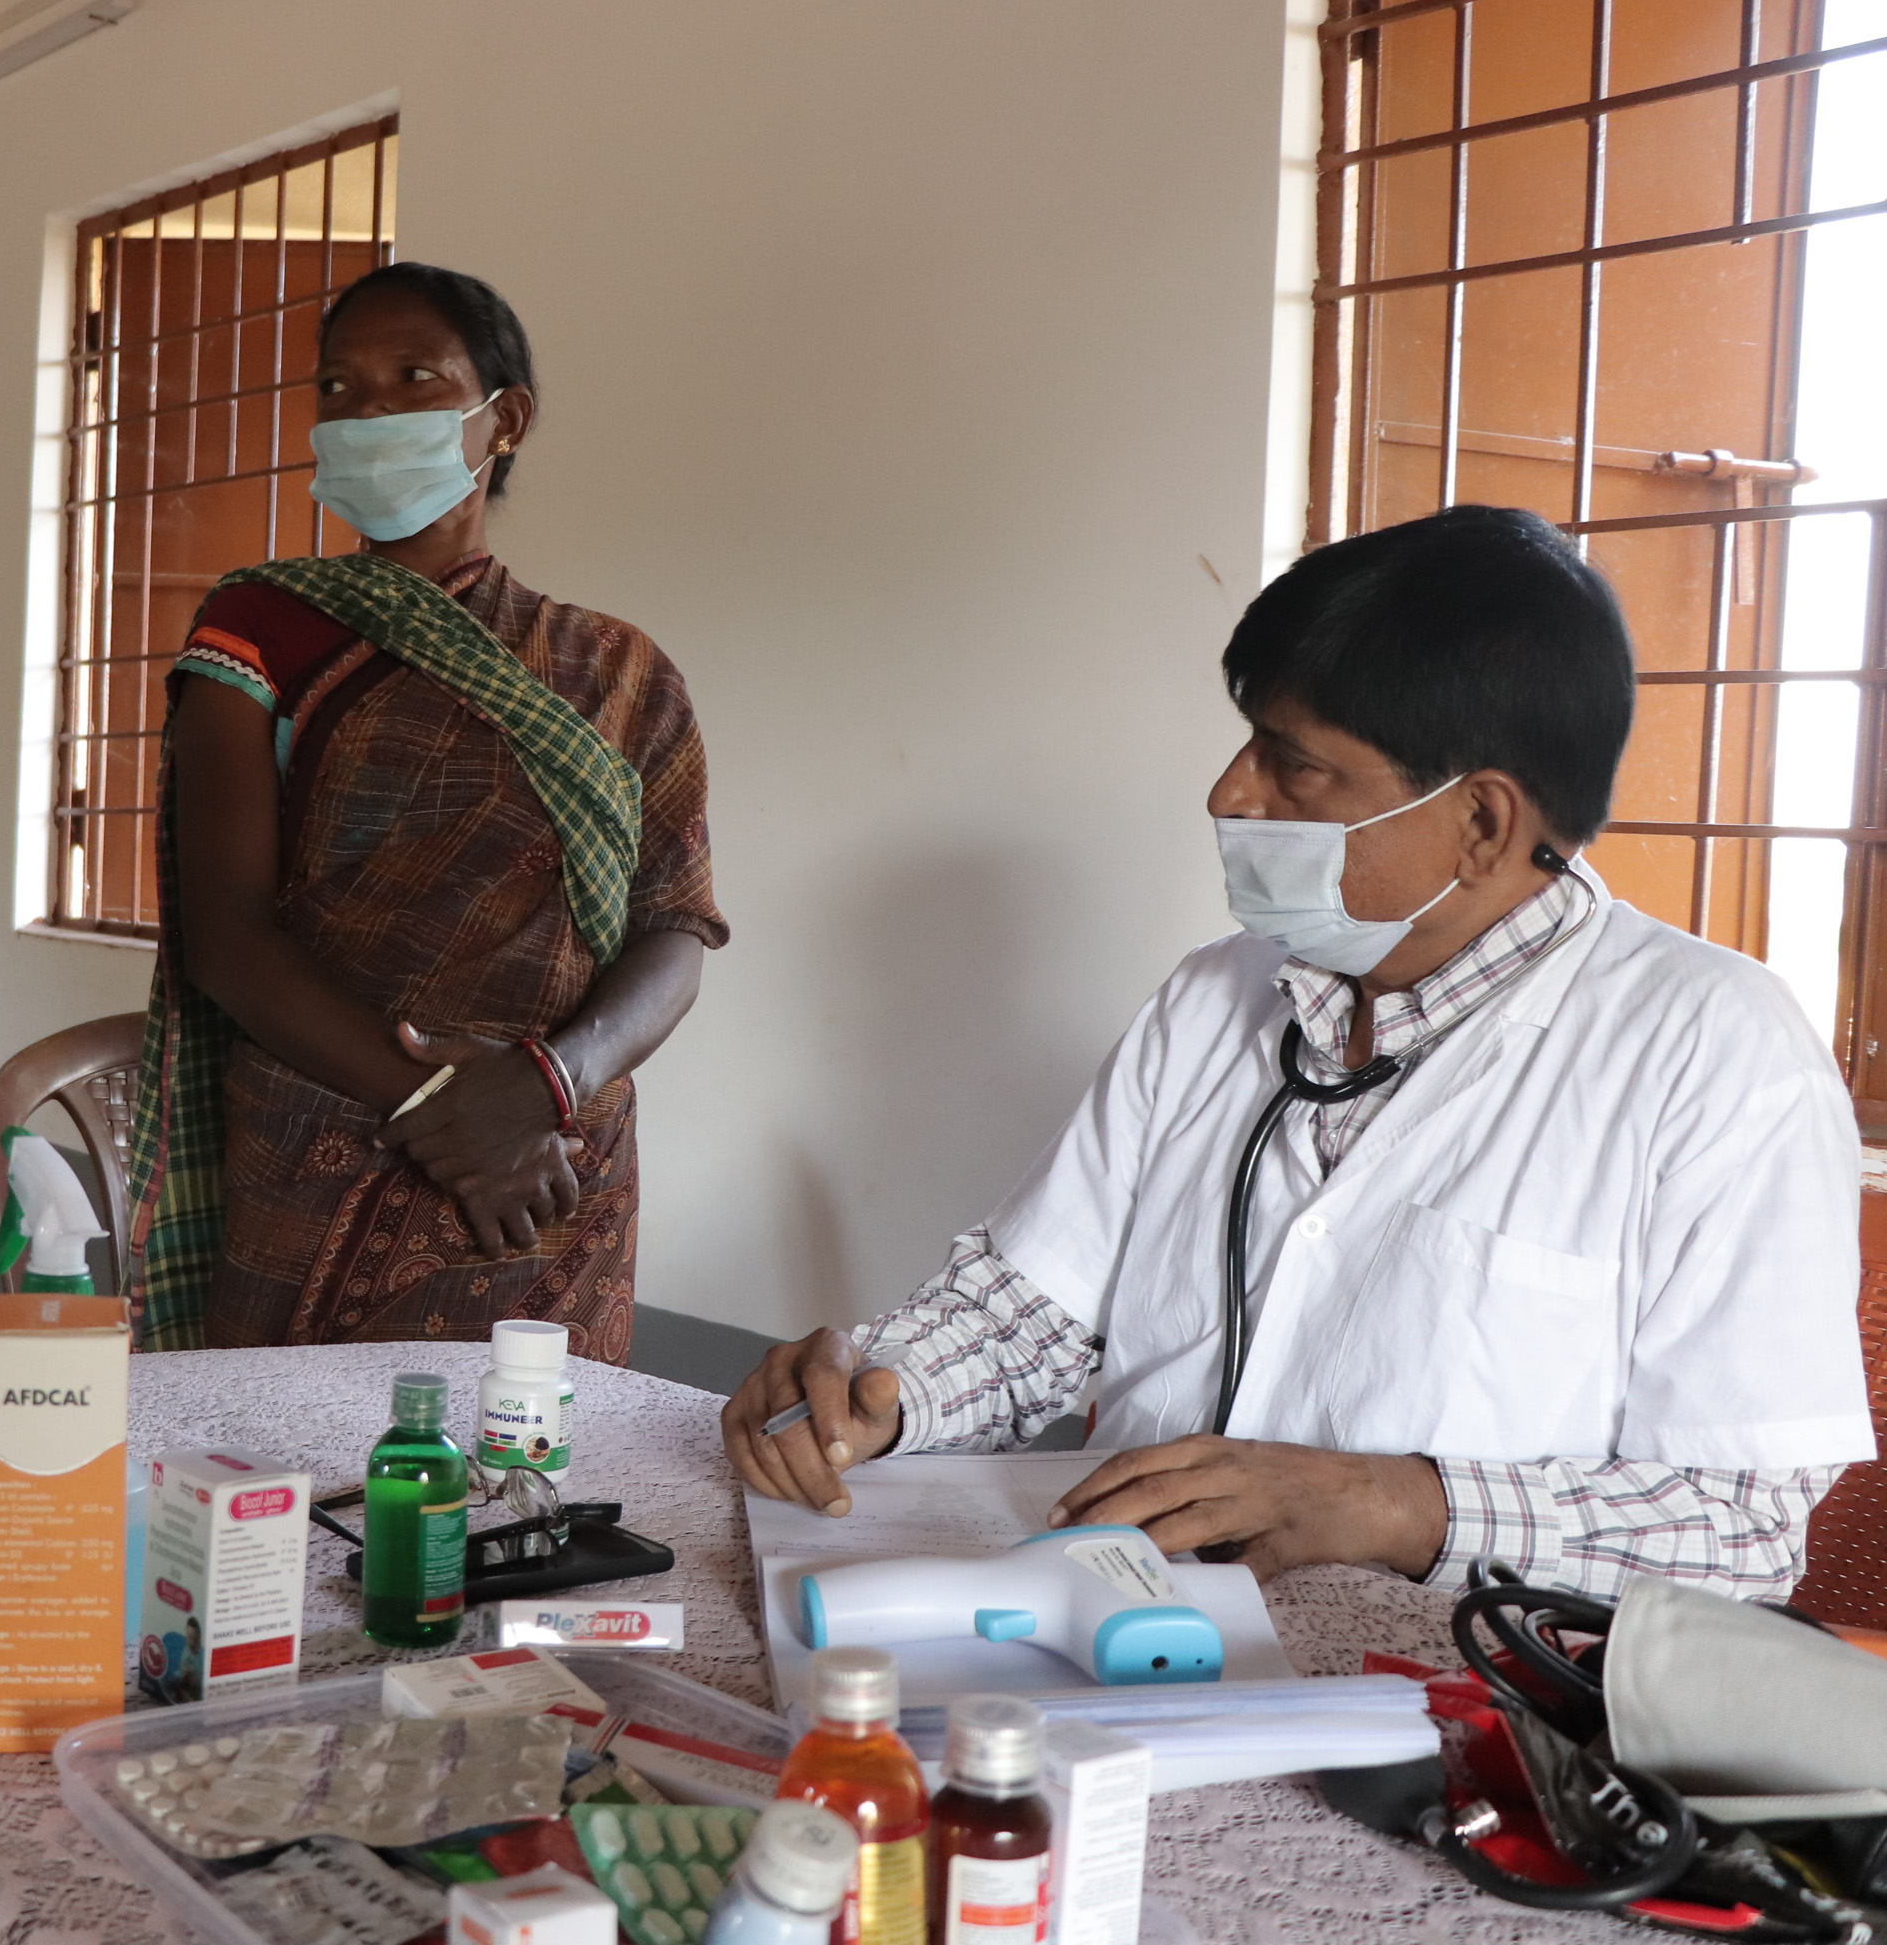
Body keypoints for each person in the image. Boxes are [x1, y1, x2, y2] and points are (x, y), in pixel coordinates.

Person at [724, 507, 1874, 1600]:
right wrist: (879, 1387)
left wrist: (1404, 1504)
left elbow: (1742, 1529)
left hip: (1440, 1700)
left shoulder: (1716, 1056)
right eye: (1248, 744)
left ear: (1481, 821)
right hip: (1108, 1616)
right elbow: (1034, 1309)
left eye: (1295, 762)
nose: (1230, 791)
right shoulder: (1216, 994)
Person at [123, 264, 728, 1358]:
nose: (366, 411)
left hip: (553, 1169)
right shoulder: (261, 627)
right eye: (340, 389)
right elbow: (226, 936)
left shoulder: (622, 672)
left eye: (412, 378)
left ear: (505, 419)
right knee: (278, 1493)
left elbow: (677, 932)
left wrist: (545, 1085)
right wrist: (444, 1108)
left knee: (535, 1492)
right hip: (323, 1148)